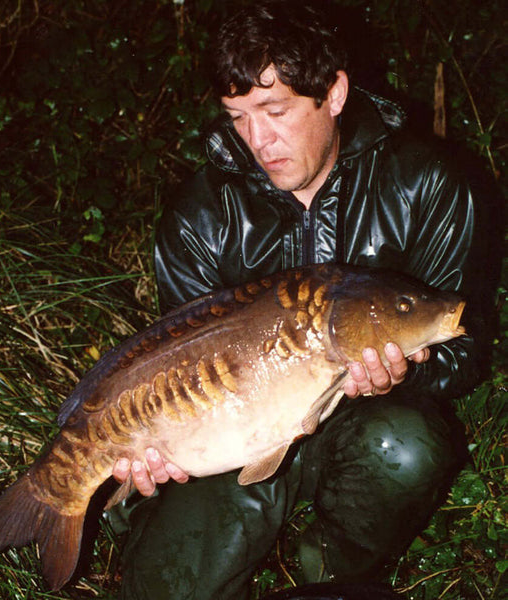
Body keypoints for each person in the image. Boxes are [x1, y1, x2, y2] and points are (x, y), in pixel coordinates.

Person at [112, 2, 487, 598]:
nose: (258, 139)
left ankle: (328, 574)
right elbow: (176, 364)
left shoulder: (425, 183)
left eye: (275, 110)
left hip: (362, 422)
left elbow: (462, 349)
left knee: (407, 447)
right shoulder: (200, 215)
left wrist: (402, 375)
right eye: (238, 116)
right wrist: (152, 454)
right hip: (234, 437)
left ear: (334, 93)